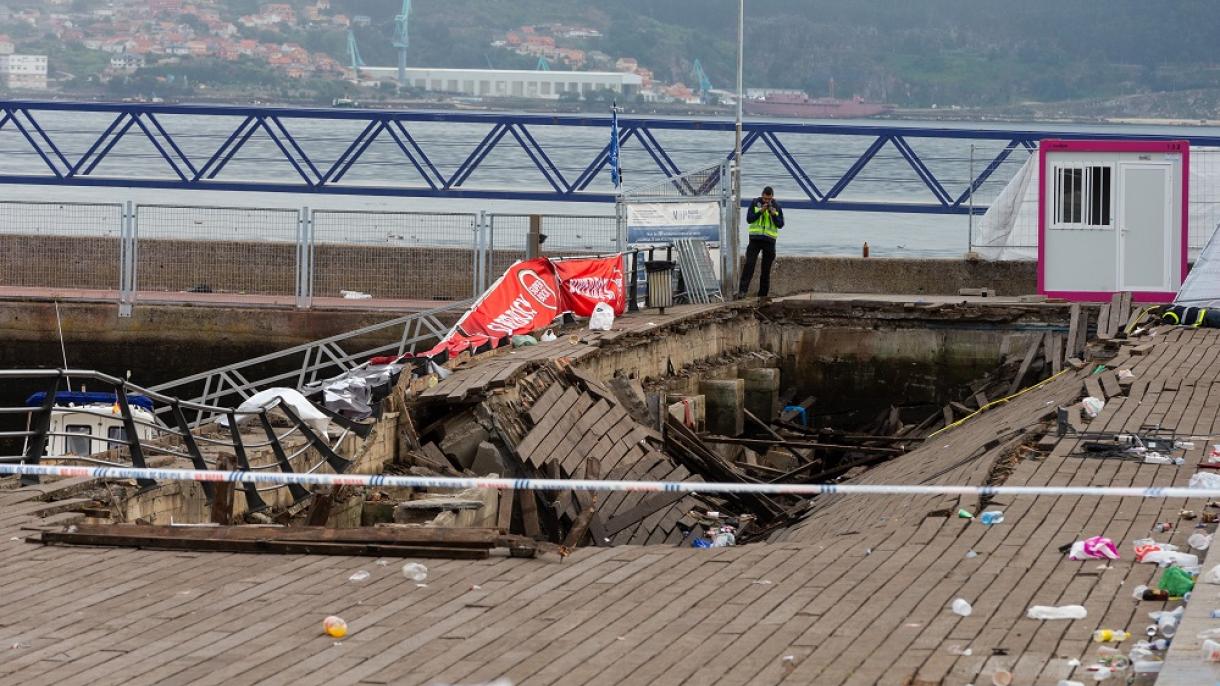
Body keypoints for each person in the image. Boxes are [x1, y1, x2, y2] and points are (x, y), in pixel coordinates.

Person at [738, 186, 784, 298]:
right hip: (755, 239)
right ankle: (742, 292)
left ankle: (763, 295)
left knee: (766, 269)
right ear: (762, 195)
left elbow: (780, 224)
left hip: (769, 240)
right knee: (749, 265)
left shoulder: (777, 206)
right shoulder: (755, 203)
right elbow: (749, 219)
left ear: (772, 197)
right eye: (765, 199)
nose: (767, 201)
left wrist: (773, 214)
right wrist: (761, 211)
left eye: (769, 199)